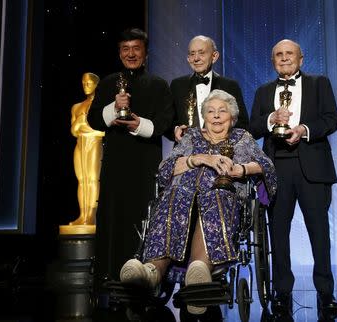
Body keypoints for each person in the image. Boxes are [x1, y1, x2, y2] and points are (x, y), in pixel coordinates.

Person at [119, 89, 277, 315]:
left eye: (222, 111)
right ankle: (150, 272)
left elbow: (265, 166)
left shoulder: (242, 137)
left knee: (215, 198)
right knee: (174, 197)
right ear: (204, 116)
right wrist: (198, 159)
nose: (215, 116)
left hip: (224, 192)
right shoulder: (192, 136)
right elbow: (165, 169)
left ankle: (199, 272)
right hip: (183, 192)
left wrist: (240, 169)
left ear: (232, 117)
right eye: (210, 111)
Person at [249, 39, 337, 319]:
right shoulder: (264, 91)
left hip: (312, 167)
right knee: (278, 235)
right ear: (273, 60)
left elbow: (331, 119)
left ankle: (326, 293)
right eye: (278, 54)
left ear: (301, 59)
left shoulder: (319, 83)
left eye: (290, 54)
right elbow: (252, 127)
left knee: (319, 234)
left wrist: (303, 129)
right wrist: (270, 119)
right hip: (277, 168)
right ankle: (281, 294)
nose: (284, 58)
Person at [87, 28, 174, 283]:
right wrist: (114, 107)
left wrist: (140, 125)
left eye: (136, 48)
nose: (131, 54)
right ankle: (111, 277)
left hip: (145, 163)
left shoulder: (159, 85)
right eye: (125, 49)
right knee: (113, 216)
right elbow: (93, 120)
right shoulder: (107, 83)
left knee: (142, 216)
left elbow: (166, 122)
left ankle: (144, 276)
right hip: (114, 163)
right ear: (119, 53)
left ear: (146, 53)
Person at [171, 35, 249, 141]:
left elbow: (242, 123)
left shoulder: (230, 86)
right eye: (192, 54)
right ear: (188, 59)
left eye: (201, 53)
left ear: (214, 56)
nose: (196, 58)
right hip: (186, 151)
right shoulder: (177, 85)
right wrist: (176, 129)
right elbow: (169, 121)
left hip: (220, 151)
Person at [69, 72, 104, 227]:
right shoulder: (77, 107)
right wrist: (81, 123)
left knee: (92, 179)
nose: (86, 86)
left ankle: (91, 215)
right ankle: (82, 214)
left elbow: (103, 131)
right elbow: (74, 130)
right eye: (84, 83)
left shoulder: (100, 104)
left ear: (96, 84)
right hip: (80, 144)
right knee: (81, 181)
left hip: (94, 142)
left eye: (89, 83)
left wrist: (84, 126)